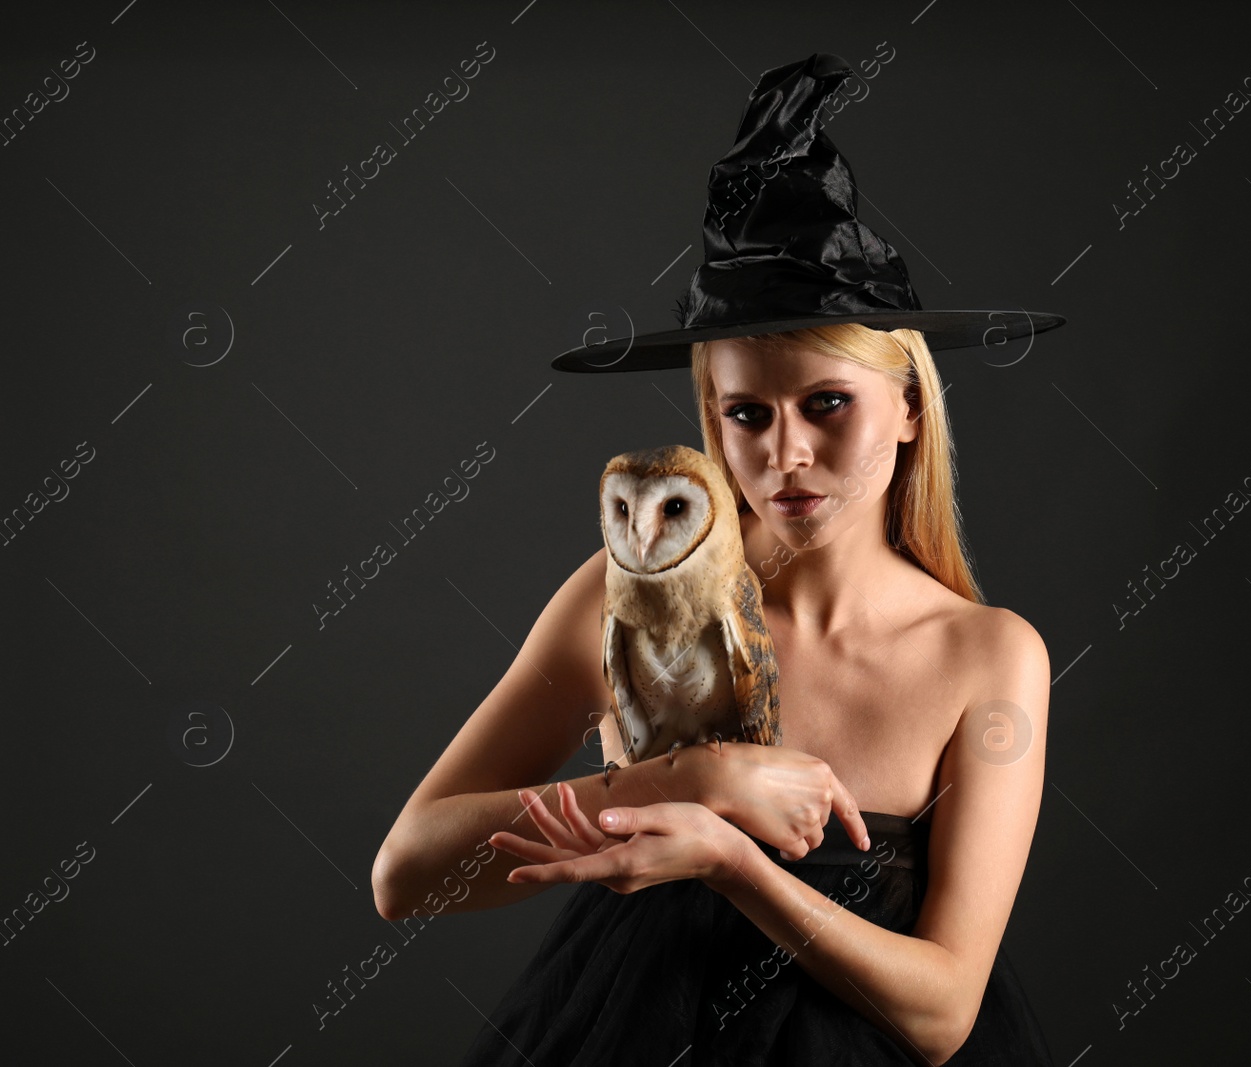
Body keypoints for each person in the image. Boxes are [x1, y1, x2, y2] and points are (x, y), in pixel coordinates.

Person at [372, 51, 1065, 1066]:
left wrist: (729, 855)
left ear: (910, 404)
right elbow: (406, 869)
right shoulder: (627, 600)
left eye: (827, 404)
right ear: (711, 418)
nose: (784, 453)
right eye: (747, 413)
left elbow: (941, 1012)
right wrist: (693, 775)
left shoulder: (988, 657)